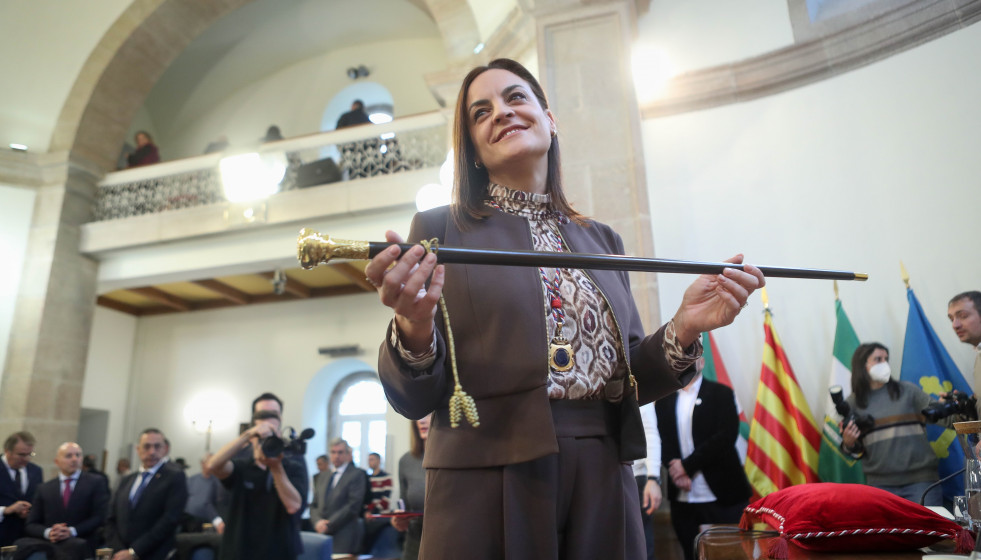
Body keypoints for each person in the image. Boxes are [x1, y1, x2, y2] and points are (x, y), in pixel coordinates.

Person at [365, 58, 764, 559]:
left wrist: (685, 326)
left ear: (549, 120)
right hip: (488, 474)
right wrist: (412, 323)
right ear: (473, 150)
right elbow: (413, 398)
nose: (501, 112)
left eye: (515, 97)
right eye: (481, 112)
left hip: (604, 469)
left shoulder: (602, 240)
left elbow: (631, 376)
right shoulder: (440, 229)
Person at [655, 360, 752, 560]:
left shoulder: (721, 394)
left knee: (729, 556)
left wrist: (686, 467)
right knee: (690, 554)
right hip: (683, 498)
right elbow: (660, 440)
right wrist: (675, 469)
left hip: (722, 496)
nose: (688, 361)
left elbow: (724, 438)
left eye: (694, 356)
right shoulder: (664, 400)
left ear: (702, 361)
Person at [841, 342, 946, 506]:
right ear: (862, 365)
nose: (884, 363)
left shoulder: (908, 391)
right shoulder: (852, 404)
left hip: (921, 482)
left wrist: (951, 407)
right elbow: (855, 452)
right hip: (880, 485)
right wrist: (849, 443)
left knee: (928, 524)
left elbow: (944, 417)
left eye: (886, 359)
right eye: (878, 359)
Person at [208, 406, 306, 560]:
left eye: (272, 433)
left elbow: (293, 506)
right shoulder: (240, 467)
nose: (266, 439)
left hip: (279, 551)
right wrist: (247, 434)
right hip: (240, 551)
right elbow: (213, 465)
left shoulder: (293, 467)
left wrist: (276, 467)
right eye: (261, 435)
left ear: (279, 435)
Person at [105, 428, 188, 560]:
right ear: (138, 449)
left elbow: (170, 519)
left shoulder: (174, 477)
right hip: (120, 555)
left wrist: (134, 552)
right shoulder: (127, 480)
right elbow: (111, 518)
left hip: (155, 554)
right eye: (147, 446)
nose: (152, 452)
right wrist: (119, 550)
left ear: (165, 449)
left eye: (157, 446)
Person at [16, 442, 109, 560]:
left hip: (83, 548)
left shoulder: (96, 482)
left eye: (78, 455)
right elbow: (31, 524)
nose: (74, 459)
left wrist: (72, 531)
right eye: (68, 456)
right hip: (51, 549)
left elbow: (100, 516)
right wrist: (49, 532)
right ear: (57, 461)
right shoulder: (44, 488)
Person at [309, 438, 368, 555]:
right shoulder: (323, 476)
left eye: (340, 452)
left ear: (347, 454)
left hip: (344, 534)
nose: (336, 456)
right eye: (333, 452)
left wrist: (329, 524)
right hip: (321, 533)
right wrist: (317, 522)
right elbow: (314, 504)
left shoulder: (357, 474)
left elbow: (353, 505)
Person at [391, 415, 429, 560]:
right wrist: (399, 519)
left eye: (428, 414)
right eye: (419, 415)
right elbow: (404, 506)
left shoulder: (455, 458)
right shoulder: (406, 461)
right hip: (415, 541)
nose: (421, 420)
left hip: (448, 541)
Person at [0, 431, 43, 547]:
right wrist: (6, 510)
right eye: (21, 455)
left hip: (25, 538)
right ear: (7, 451)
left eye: (30, 454)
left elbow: (37, 499)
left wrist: (30, 511)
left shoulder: (36, 471)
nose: (27, 459)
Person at [632, 404, 662, 560]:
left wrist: (653, 478)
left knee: (640, 542)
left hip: (636, 476)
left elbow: (650, 433)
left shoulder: (637, 388)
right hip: (603, 476)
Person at [948, 291, 981, 418]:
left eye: (963, 316)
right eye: (951, 319)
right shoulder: (979, 358)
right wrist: (967, 407)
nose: (955, 325)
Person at [184, 454, 228, 534]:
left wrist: (217, 521)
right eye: (209, 462)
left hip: (209, 522)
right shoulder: (192, 480)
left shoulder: (218, 482)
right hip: (189, 520)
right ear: (202, 463)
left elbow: (212, 504)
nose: (212, 465)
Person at [362, 452, 393, 553]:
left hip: (382, 514)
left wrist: (373, 511)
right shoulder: (368, 478)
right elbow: (366, 498)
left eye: (372, 459)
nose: (370, 462)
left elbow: (385, 500)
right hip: (369, 514)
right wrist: (367, 511)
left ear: (379, 461)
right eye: (368, 460)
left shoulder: (386, 477)